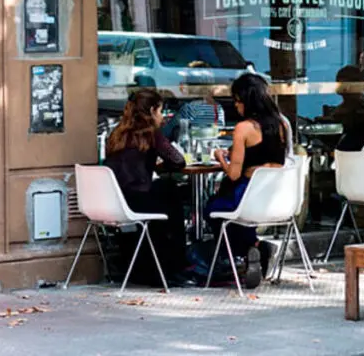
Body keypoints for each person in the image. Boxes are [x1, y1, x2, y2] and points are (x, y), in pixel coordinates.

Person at [205, 73, 287, 288]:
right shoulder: (282, 125)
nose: (235, 105)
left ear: (246, 101)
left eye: (237, 100)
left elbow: (233, 174)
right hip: (275, 197)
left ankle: (240, 254)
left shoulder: (243, 128)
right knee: (234, 216)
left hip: (246, 195)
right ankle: (254, 248)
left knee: (212, 209)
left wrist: (220, 158)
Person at [104, 89, 189, 284]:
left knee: (164, 191)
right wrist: (159, 164)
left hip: (116, 201)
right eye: (160, 111)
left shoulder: (117, 133)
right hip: (139, 201)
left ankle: (152, 263)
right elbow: (178, 161)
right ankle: (177, 263)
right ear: (151, 111)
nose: (161, 116)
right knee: (171, 192)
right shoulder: (151, 133)